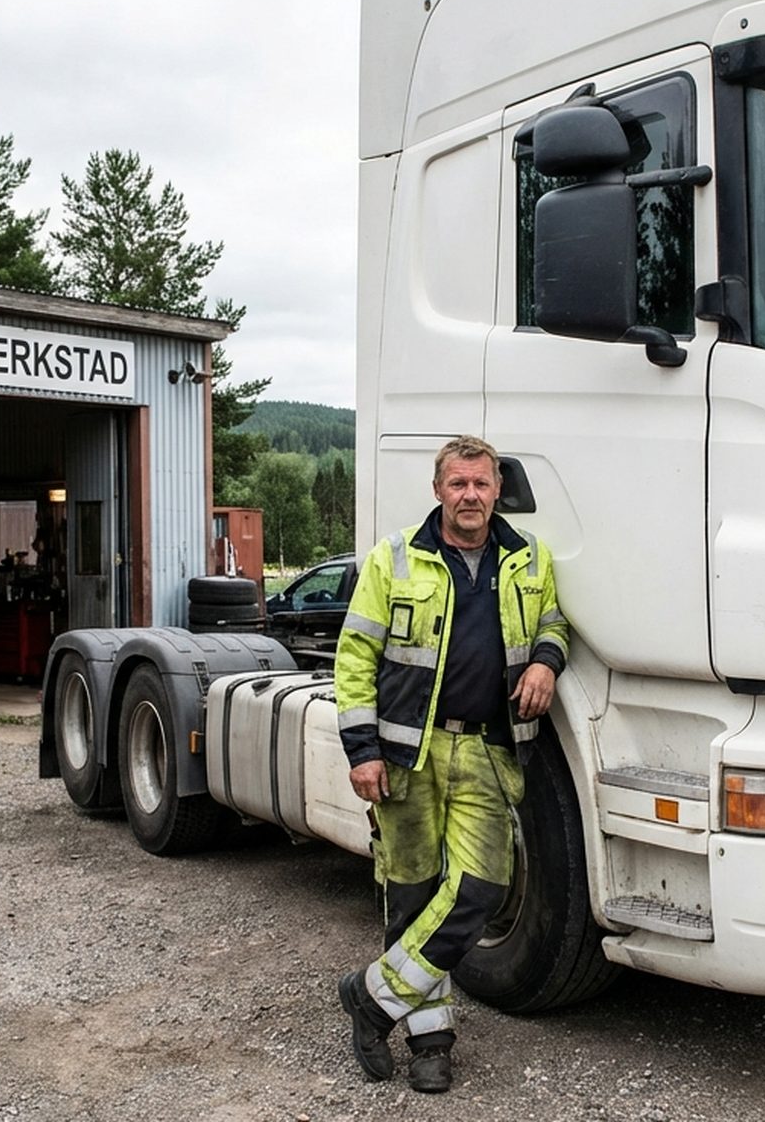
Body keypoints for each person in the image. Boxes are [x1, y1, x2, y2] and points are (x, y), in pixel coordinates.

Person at [332, 435, 568, 1094]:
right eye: (458, 484)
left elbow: (553, 623)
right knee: (412, 890)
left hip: (490, 748)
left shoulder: (529, 558)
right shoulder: (394, 558)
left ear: (497, 491)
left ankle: (372, 997)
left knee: (483, 887)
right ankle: (430, 1042)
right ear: (438, 490)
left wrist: (547, 661)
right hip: (411, 750)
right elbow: (355, 657)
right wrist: (363, 751)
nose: (470, 495)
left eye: (481, 484)